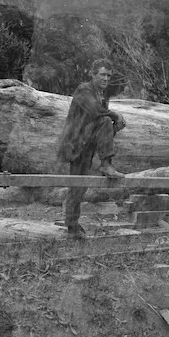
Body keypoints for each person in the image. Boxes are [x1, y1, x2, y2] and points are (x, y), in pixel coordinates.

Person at [57, 58, 126, 239]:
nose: (105, 79)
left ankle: (73, 224)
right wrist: (114, 115)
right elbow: (95, 112)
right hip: (75, 144)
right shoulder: (84, 89)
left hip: (86, 144)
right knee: (76, 186)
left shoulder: (100, 94)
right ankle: (71, 227)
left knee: (81, 187)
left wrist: (114, 126)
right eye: (102, 74)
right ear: (93, 74)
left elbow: (99, 124)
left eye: (108, 76)